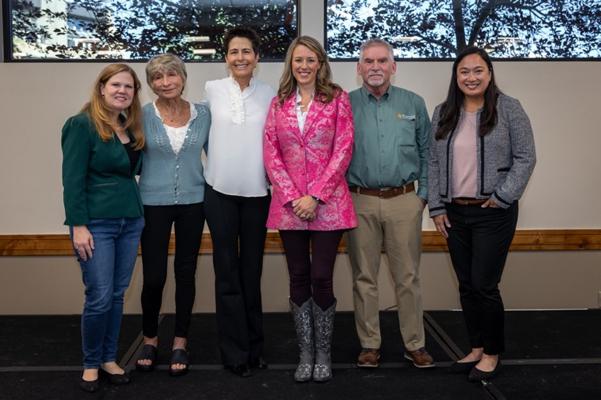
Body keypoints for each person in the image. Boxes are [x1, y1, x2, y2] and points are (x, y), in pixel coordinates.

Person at [428, 46, 536, 381]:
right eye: (464, 71)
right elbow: (432, 162)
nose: (471, 77)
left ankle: (492, 353)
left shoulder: (509, 108)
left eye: (478, 70)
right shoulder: (443, 112)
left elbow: (526, 157)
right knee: (466, 285)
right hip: (454, 213)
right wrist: (436, 206)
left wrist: (502, 196)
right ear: (456, 76)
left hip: (493, 213)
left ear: (489, 74)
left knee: (484, 285)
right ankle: (475, 348)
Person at [264, 35, 357, 383]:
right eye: (298, 60)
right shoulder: (278, 103)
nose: (304, 66)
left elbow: (344, 149)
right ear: (291, 63)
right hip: (289, 206)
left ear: (320, 64)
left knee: (321, 276)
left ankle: (324, 354)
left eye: (310, 60)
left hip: (328, 204)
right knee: (298, 277)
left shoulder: (337, 98)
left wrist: (315, 196)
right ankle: (305, 353)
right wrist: (292, 196)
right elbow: (271, 153)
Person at [346, 38, 434, 369]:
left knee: (407, 277)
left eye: (382, 61)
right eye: (368, 61)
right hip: (360, 201)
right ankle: (369, 344)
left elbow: (427, 152)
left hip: (404, 201)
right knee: (364, 277)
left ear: (393, 67)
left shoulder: (413, 103)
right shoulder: (345, 104)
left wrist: (422, 196)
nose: (375, 67)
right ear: (359, 68)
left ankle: (415, 344)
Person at [61, 64, 145, 392]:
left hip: (131, 220)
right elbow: (72, 180)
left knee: (117, 294)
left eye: (129, 86)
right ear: (101, 88)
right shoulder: (81, 125)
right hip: (96, 223)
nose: (122, 91)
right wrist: (78, 226)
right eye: (116, 85)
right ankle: (90, 363)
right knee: (98, 296)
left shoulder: (128, 127)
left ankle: (109, 358)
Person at [203, 27, 275, 377]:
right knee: (227, 273)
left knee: (251, 272)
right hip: (219, 193)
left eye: (246, 51)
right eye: (234, 52)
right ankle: (234, 352)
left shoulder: (270, 94)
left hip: (258, 194)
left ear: (256, 57)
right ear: (226, 58)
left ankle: (254, 348)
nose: (240, 57)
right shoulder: (212, 90)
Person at [135, 54, 211, 376]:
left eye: (171, 75)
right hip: (152, 202)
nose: (165, 82)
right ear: (151, 84)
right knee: (154, 276)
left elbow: (218, 155)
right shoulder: (140, 116)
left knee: (185, 271)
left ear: (183, 77)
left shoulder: (203, 115)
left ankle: (180, 340)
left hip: (194, 201)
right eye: (157, 77)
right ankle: (150, 339)